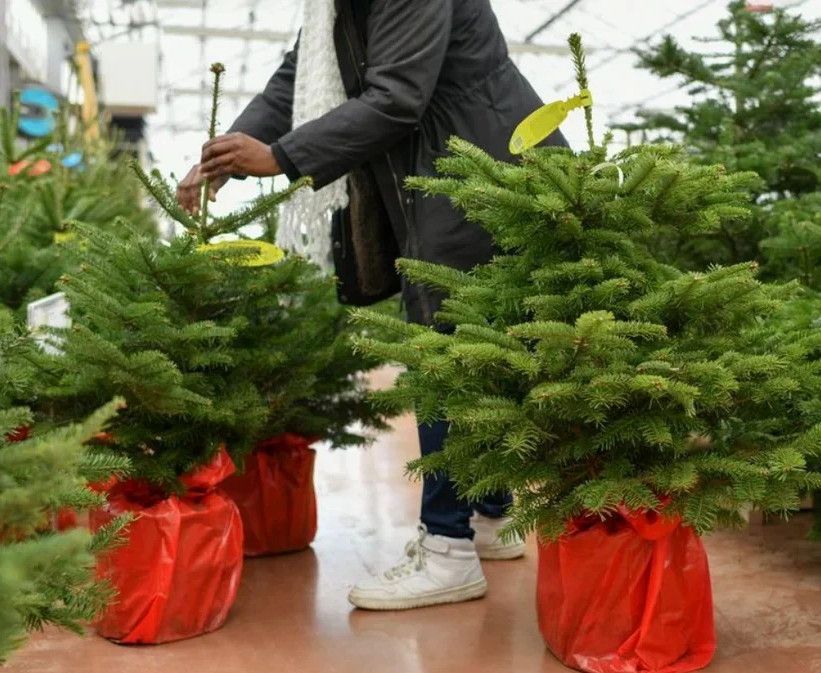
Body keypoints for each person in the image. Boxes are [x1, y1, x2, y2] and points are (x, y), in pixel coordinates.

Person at [176, 0, 566, 611]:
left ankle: (448, 551)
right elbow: (300, 72)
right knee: (471, 344)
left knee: (445, 349)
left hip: (481, 165)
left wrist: (280, 158)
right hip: (438, 165)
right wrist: (230, 152)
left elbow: (398, 96)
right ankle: (489, 519)